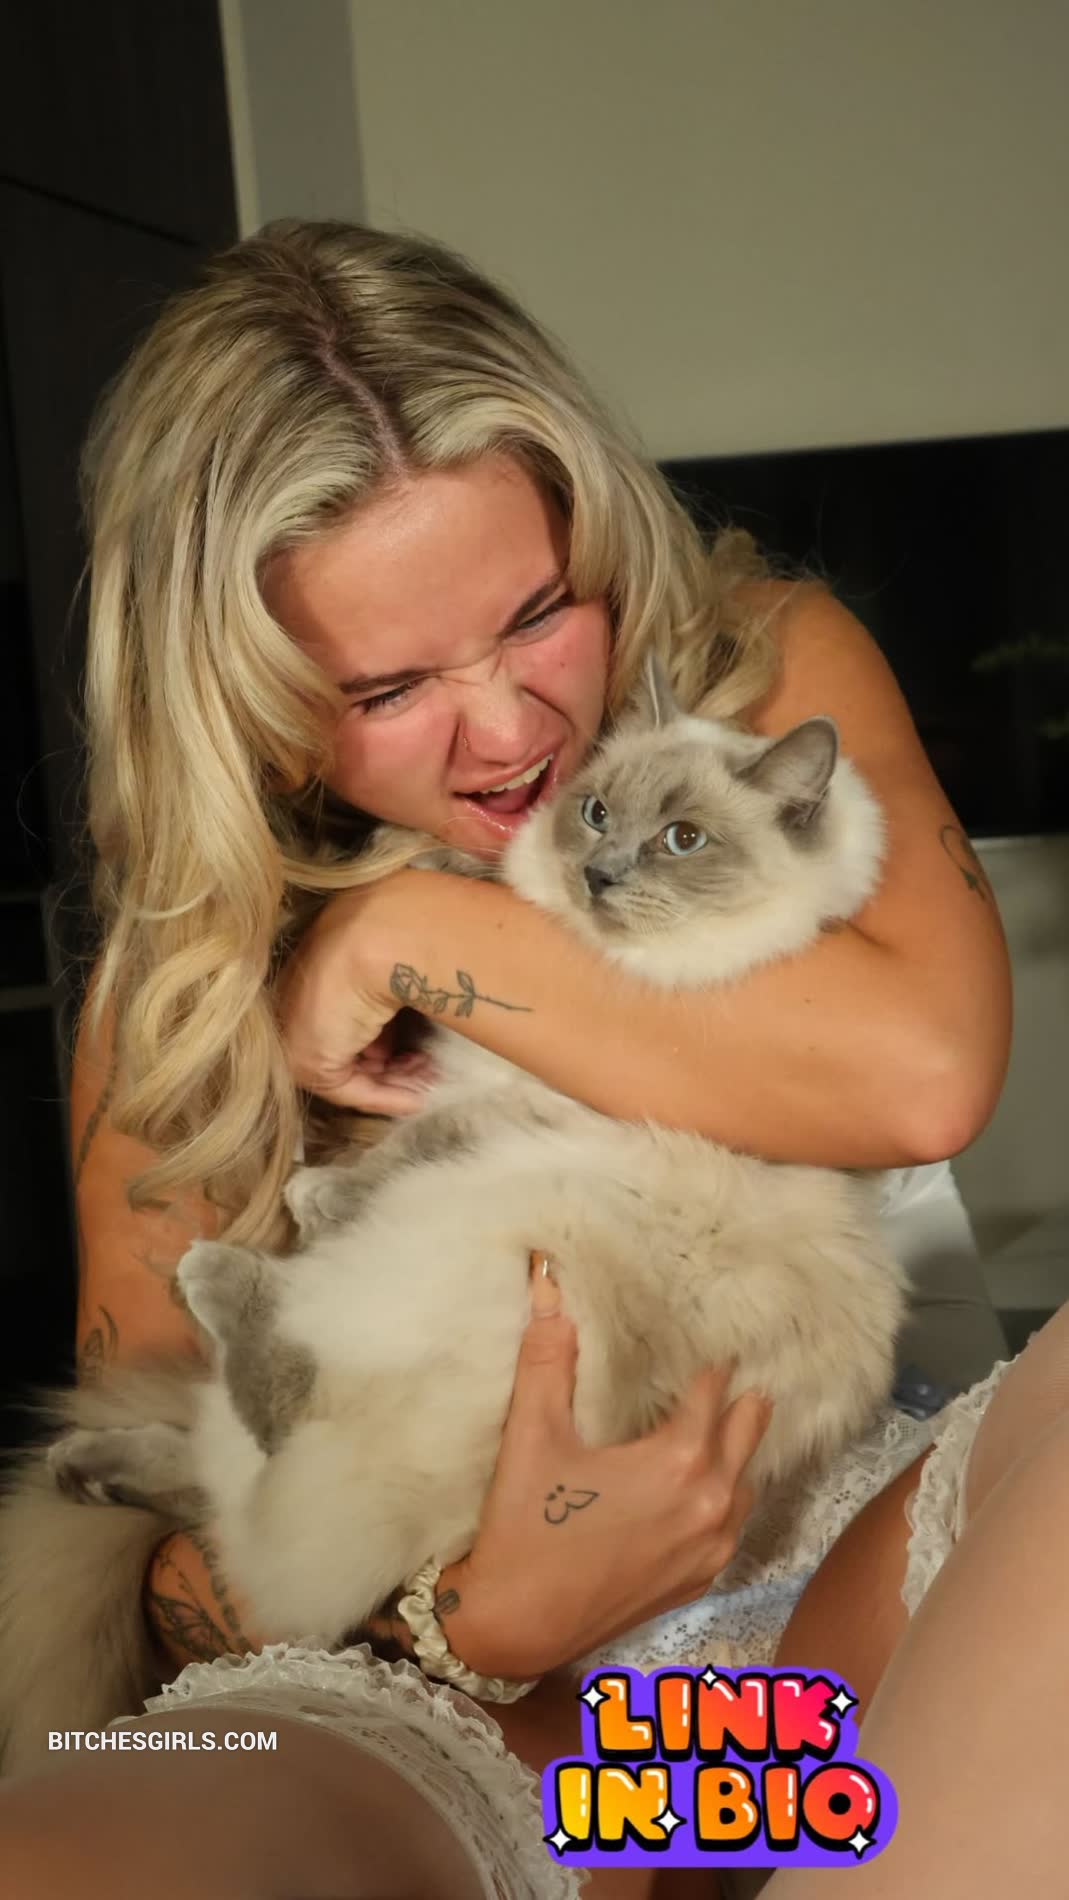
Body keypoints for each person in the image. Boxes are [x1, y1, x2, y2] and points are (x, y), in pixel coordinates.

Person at [5, 216, 1053, 1898]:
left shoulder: (750, 677)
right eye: (388, 687)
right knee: (61, 1849)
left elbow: (917, 1075)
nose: (508, 731)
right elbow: (144, 1553)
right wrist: (473, 1613)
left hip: (825, 1613)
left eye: (539, 612)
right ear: (253, 705)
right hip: (450, 1691)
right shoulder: (185, 987)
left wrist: (407, 933)